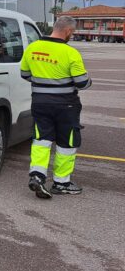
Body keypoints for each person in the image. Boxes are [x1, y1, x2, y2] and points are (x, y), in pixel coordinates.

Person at [21, 16, 91, 199]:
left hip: (39, 103)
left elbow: (24, 74)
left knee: (41, 139)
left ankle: (37, 175)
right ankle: (61, 183)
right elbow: (82, 83)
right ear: (68, 31)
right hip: (65, 105)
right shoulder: (70, 53)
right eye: (72, 33)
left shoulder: (32, 48)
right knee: (67, 143)